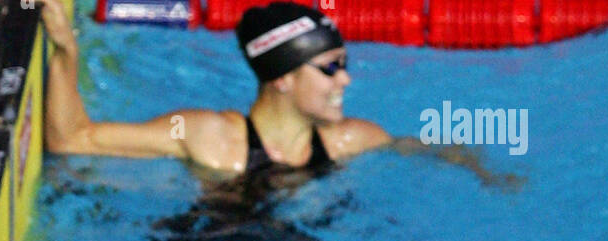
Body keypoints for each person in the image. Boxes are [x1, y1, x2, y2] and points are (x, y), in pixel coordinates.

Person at [42, 0, 505, 182]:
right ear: (283, 77)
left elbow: (415, 147)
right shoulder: (210, 138)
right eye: (329, 68)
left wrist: (482, 169)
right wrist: (67, 52)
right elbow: (73, 140)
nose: (345, 79)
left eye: (344, 65)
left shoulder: (351, 138)